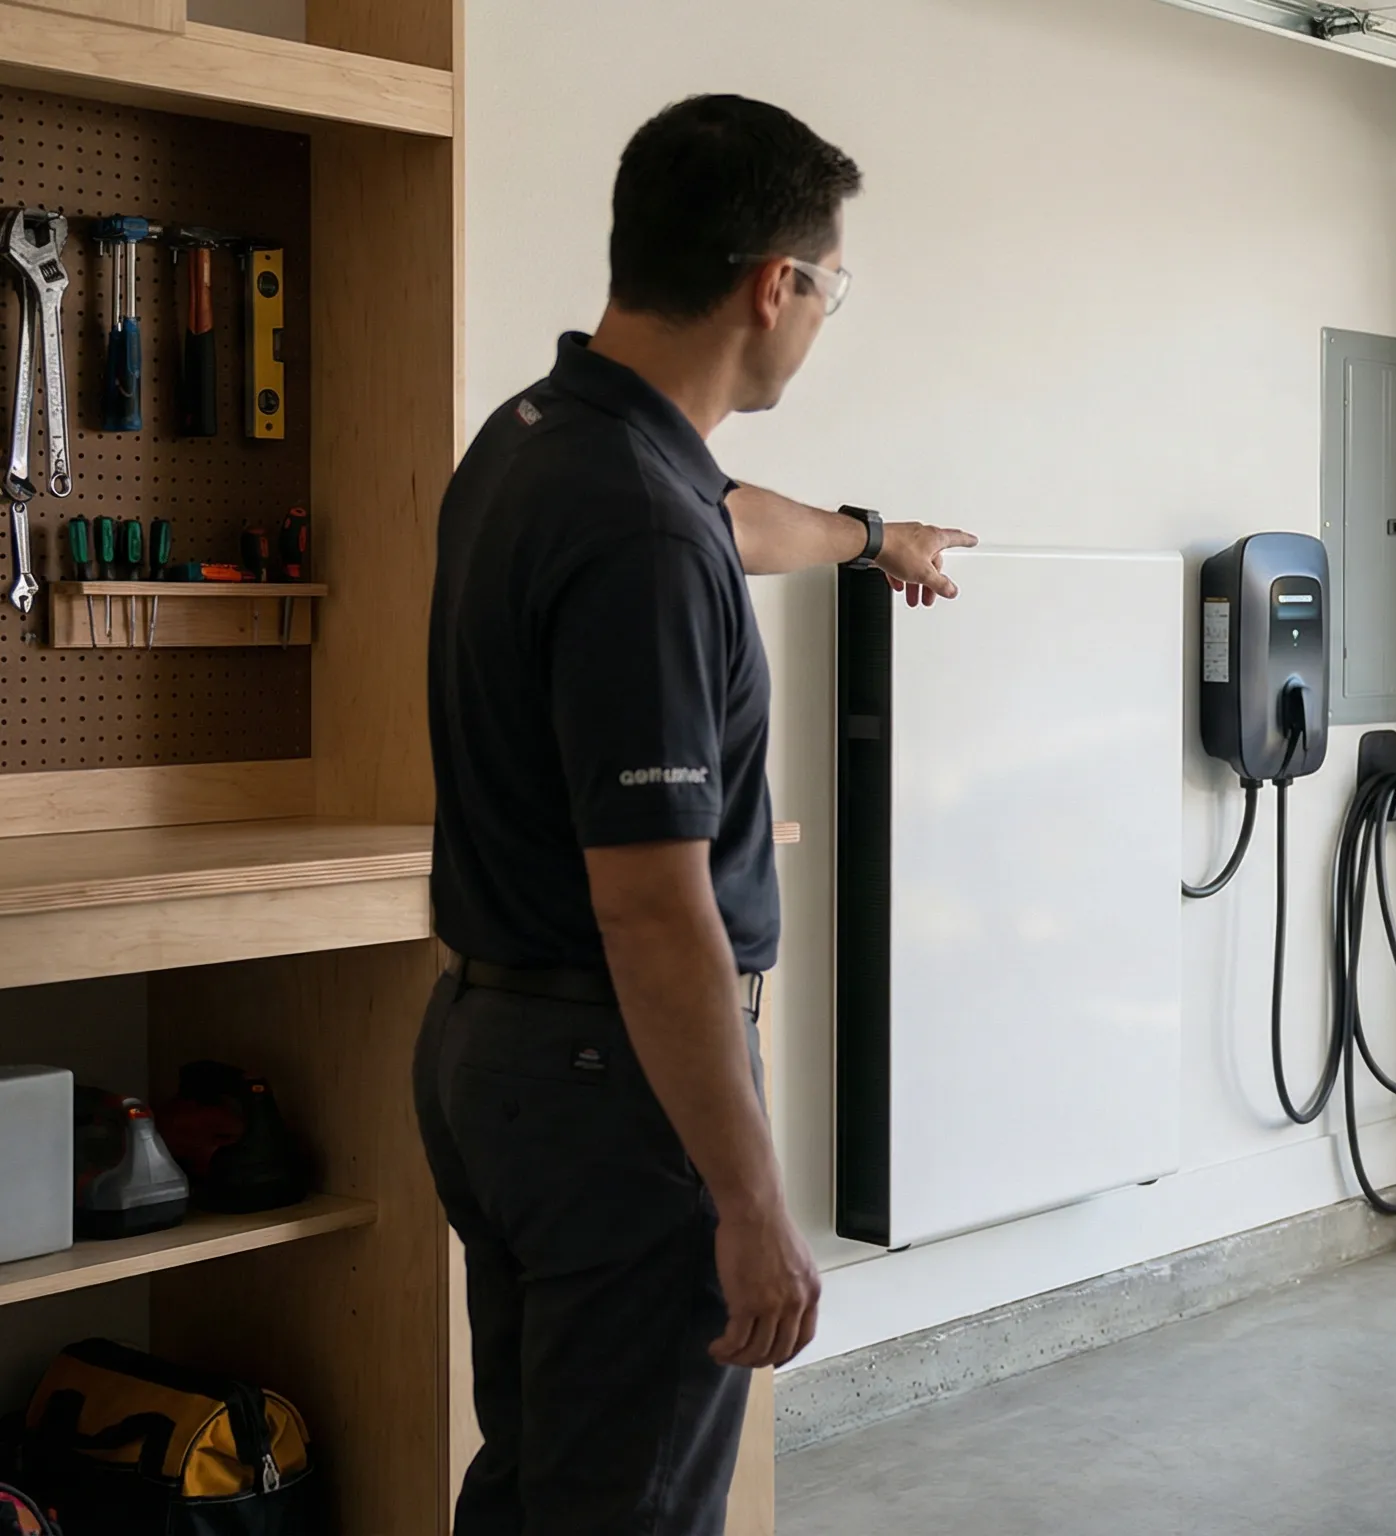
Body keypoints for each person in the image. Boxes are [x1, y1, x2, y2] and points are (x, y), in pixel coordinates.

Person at [415, 95, 975, 1534]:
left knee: (541, 1480)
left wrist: (871, 539)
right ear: (772, 285)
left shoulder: (540, 443)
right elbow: (652, 902)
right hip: (617, 1087)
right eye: (829, 287)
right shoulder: (642, 530)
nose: (821, 317)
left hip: (494, 1057)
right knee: (627, 1508)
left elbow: (735, 517)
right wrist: (748, 1204)